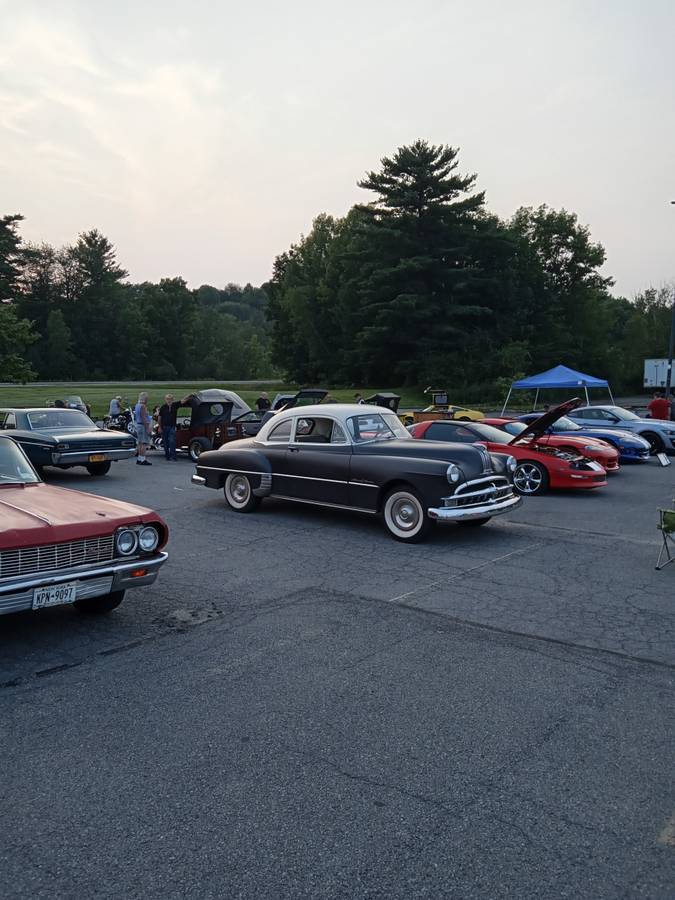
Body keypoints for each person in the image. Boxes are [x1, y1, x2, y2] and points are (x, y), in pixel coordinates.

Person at [157, 393, 191, 461]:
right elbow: (159, 418)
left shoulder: (175, 405)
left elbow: (183, 401)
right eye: (167, 399)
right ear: (165, 400)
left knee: (172, 441)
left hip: (172, 426)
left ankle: (173, 456)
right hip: (164, 427)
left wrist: (190, 396)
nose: (169, 401)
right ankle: (167, 456)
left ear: (172, 399)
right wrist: (160, 427)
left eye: (170, 399)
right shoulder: (163, 407)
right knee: (166, 442)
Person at [134, 392, 153, 466]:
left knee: (140, 443)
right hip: (143, 426)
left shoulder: (137, 405)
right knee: (144, 443)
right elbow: (144, 418)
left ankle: (139, 458)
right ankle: (142, 459)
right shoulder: (143, 406)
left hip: (138, 425)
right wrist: (148, 428)